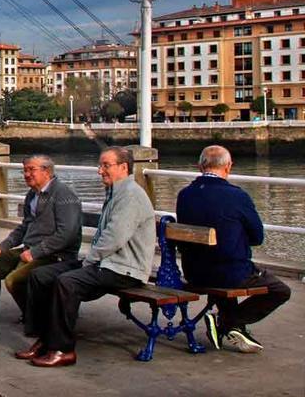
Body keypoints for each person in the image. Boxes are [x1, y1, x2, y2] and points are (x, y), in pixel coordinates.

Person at [18, 146, 155, 368]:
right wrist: (90, 261)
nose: (100, 170)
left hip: (125, 269)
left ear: (124, 167)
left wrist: (88, 262)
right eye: (100, 165)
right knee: (40, 275)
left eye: (106, 165)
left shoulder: (131, 195)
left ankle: (63, 349)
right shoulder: (115, 192)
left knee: (67, 282)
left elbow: (113, 238)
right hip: (106, 263)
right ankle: (45, 338)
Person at [176, 145, 292, 353]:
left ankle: (234, 326)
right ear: (228, 167)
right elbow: (257, 237)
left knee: (222, 263)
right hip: (229, 273)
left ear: (200, 166)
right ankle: (228, 321)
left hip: (194, 272)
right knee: (281, 290)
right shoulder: (237, 197)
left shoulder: (185, 195)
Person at [0, 154, 83, 337]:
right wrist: (2, 247)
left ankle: (41, 322)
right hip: (30, 250)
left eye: (31, 169)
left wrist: (36, 252)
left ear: (46, 171)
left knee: (15, 280)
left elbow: (68, 234)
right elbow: (24, 227)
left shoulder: (63, 195)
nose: (26, 174)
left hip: (56, 255)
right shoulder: (32, 195)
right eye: (24, 170)